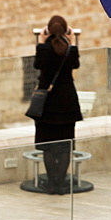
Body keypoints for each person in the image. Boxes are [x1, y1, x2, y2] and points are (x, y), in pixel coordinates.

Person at [33, 15, 82, 194]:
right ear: (66, 30)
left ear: (48, 30)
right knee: (64, 147)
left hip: (47, 104)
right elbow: (75, 65)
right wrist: (72, 41)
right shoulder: (70, 50)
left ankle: (51, 184)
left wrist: (41, 41)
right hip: (67, 103)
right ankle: (61, 184)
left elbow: (37, 65)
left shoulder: (44, 49)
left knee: (48, 146)